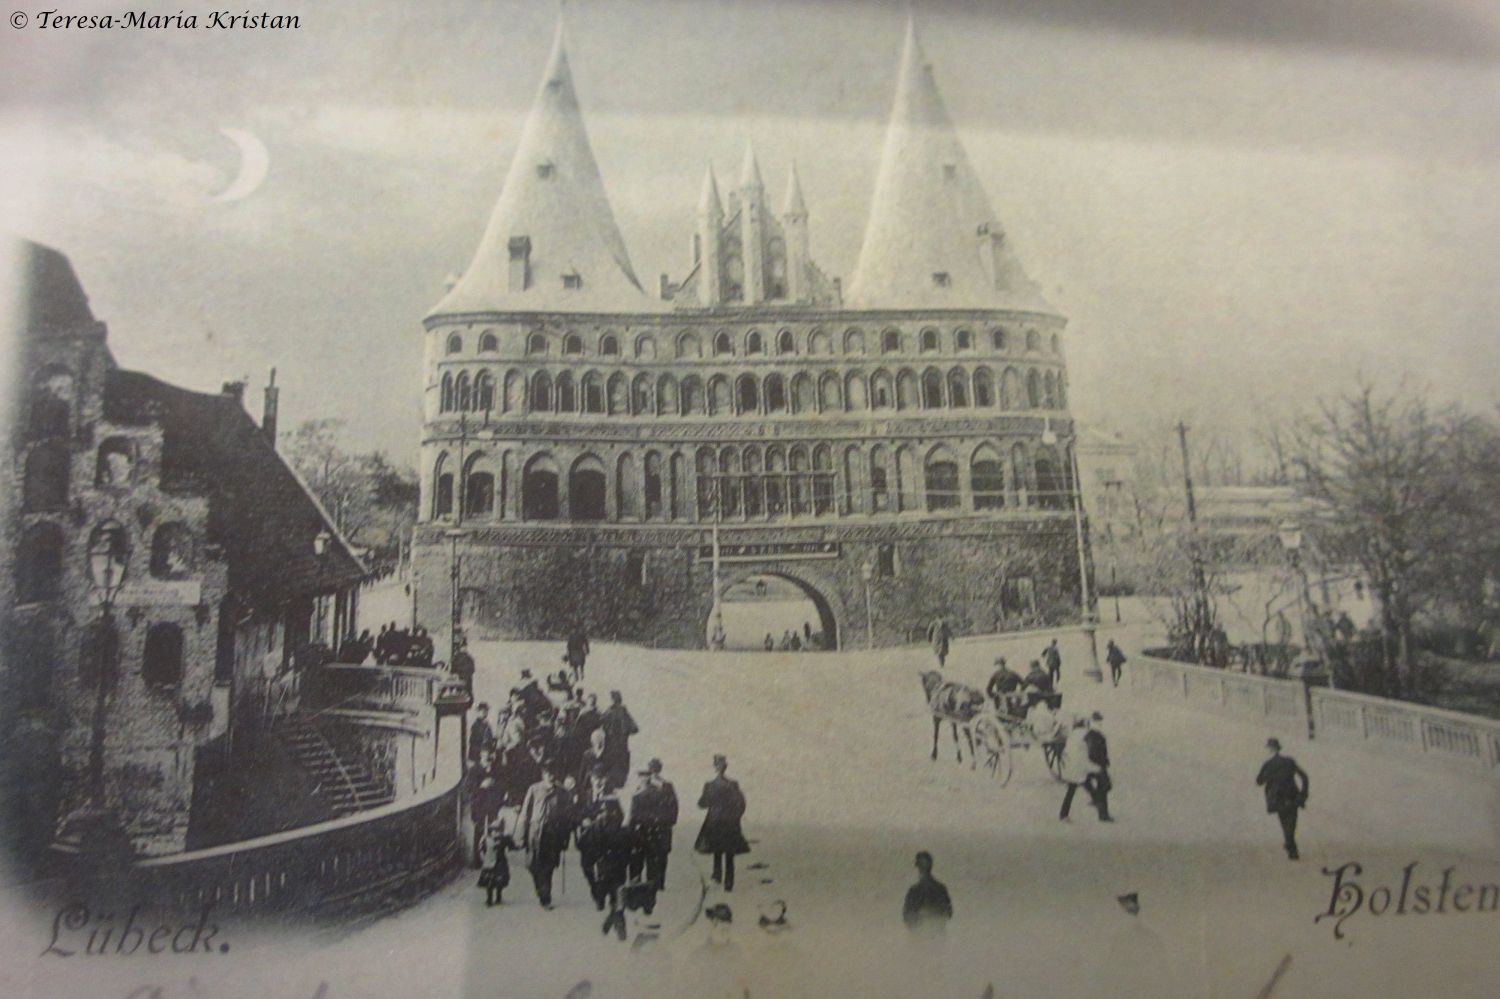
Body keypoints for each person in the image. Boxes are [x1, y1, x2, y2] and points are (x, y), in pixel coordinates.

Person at [518, 763, 575, 909]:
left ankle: (546, 897)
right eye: (548, 773)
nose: (551, 776)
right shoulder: (534, 789)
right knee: (533, 866)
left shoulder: (562, 792)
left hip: (552, 833)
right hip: (535, 832)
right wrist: (521, 835)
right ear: (543, 774)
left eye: (553, 773)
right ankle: (540, 889)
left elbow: (567, 817)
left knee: (548, 866)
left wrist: (565, 839)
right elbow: (525, 813)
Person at [695, 754, 750, 892]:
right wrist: (736, 817)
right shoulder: (733, 784)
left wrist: (708, 801)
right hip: (730, 824)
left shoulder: (710, 785)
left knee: (717, 851)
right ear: (725, 768)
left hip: (714, 822)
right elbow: (741, 804)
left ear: (715, 768)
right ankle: (728, 884)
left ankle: (717, 877)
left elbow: (701, 804)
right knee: (729, 854)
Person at [629, 758, 679, 891]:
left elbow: (673, 807)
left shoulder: (666, 786)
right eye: (652, 769)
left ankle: (659, 883)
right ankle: (649, 882)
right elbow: (635, 809)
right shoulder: (643, 786)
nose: (654, 772)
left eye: (656, 769)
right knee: (648, 855)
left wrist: (667, 822)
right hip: (648, 828)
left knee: (661, 855)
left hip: (661, 827)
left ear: (659, 769)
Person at [1256, 737, 1310, 860]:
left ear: (1270, 749)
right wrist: (1304, 794)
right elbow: (1304, 777)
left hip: (1277, 798)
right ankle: (1290, 846)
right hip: (1293, 796)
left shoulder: (1268, 764)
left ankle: (1290, 845)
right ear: (1279, 748)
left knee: (1284, 821)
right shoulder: (1289, 761)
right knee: (1291, 822)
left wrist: (1269, 777)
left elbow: (1259, 781)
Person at [1060, 712, 1112, 822]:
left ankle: (1063, 814)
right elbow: (1092, 753)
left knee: (1072, 789)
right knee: (1102, 784)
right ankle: (1103, 814)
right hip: (1084, 765)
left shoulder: (1072, 734)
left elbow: (1067, 751)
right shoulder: (1089, 735)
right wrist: (1101, 765)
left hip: (1073, 766)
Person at [902, 851, 953, 931]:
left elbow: (907, 917)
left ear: (918, 867)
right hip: (932, 936)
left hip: (924, 936)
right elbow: (948, 913)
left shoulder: (913, 891)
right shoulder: (940, 889)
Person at [600, 690, 639, 789]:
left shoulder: (608, 712)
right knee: (620, 767)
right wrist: (625, 732)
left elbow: (600, 724)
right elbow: (635, 728)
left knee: (610, 766)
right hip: (622, 746)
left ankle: (610, 784)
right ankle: (619, 783)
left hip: (610, 746)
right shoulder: (624, 712)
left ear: (613, 700)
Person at [477, 816, 515, 907]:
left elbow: (512, 846)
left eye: (498, 830)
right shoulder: (485, 838)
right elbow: (480, 849)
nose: (496, 832)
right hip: (489, 861)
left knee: (500, 880)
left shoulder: (504, 838)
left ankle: (498, 897)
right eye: (493, 830)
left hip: (500, 861)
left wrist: (511, 842)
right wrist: (483, 858)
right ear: (490, 830)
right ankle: (489, 899)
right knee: (489, 881)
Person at [467, 703, 495, 768]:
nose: (485, 713)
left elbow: (489, 739)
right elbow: (474, 741)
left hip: (485, 753)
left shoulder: (486, 724)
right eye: (483, 711)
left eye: (486, 711)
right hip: (478, 755)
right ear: (478, 712)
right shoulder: (476, 725)